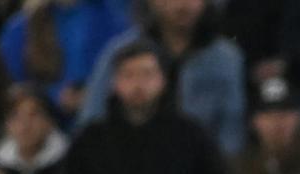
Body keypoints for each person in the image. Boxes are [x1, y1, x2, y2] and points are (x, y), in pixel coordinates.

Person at [59, 39, 241, 174]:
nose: (138, 84)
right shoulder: (91, 139)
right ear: (115, 83)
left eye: (147, 74)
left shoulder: (190, 135)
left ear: (163, 80)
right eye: (128, 75)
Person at [81, 0, 248, 156]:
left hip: (202, 167)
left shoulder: (226, 59)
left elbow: (232, 133)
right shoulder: (122, 54)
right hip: (128, 163)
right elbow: (91, 122)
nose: (183, 4)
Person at [0, 0, 127, 119]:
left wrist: (94, 93)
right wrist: (55, 95)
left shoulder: (111, 15)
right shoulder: (21, 29)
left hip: (105, 112)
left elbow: (126, 65)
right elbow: (19, 87)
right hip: (49, 119)